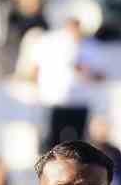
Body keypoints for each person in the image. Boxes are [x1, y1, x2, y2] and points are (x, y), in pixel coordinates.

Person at [18, 16, 109, 150]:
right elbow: (34, 69)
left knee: (78, 146)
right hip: (54, 102)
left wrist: (86, 72)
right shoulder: (49, 43)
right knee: (52, 144)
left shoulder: (91, 47)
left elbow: (101, 76)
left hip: (79, 103)